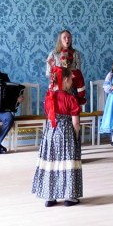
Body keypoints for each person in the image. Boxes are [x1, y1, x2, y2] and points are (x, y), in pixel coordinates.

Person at [32, 66, 83, 207]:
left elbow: (49, 116)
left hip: (50, 133)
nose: (72, 82)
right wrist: (76, 135)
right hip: (66, 133)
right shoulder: (70, 98)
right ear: (65, 80)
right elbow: (76, 123)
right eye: (71, 79)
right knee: (67, 162)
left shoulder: (48, 97)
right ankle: (69, 197)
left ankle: (50, 197)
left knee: (51, 163)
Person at [45, 29, 86, 106]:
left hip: (72, 87)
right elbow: (49, 73)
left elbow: (78, 71)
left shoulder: (75, 53)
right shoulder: (53, 54)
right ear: (60, 39)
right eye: (64, 37)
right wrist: (53, 68)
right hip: (58, 89)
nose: (67, 39)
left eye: (69, 37)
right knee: (59, 109)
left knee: (72, 108)